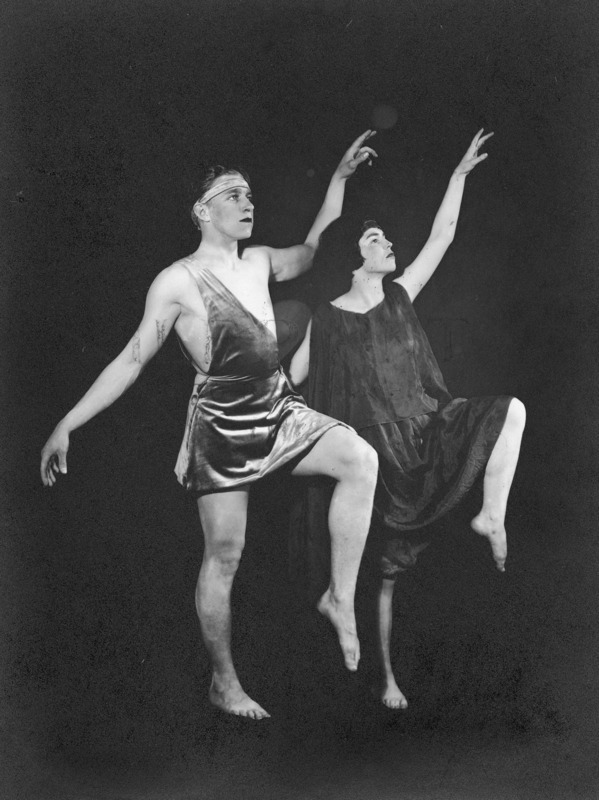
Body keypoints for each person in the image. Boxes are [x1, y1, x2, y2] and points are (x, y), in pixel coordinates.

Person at [40, 131, 381, 720]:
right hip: (221, 427)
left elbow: (309, 249)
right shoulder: (177, 281)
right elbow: (130, 360)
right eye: (233, 194)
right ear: (203, 211)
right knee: (225, 555)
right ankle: (224, 683)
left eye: (250, 194)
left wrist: (340, 180)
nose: (248, 202)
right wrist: (66, 423)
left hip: (277, 410)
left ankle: (339, 597)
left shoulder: (260, 260)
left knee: (361, 460)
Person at [289, 129, 526, 711]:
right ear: (353, 255)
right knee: (385, 576)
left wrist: (459, 177)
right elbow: (289, 378)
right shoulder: (326, 319)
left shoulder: (401, 294)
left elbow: (442, 237)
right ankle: (387, 677)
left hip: (426, 434)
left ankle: (490, 516)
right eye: (374, 237)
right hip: (376, 460)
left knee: (511, 412)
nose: (387, 242)